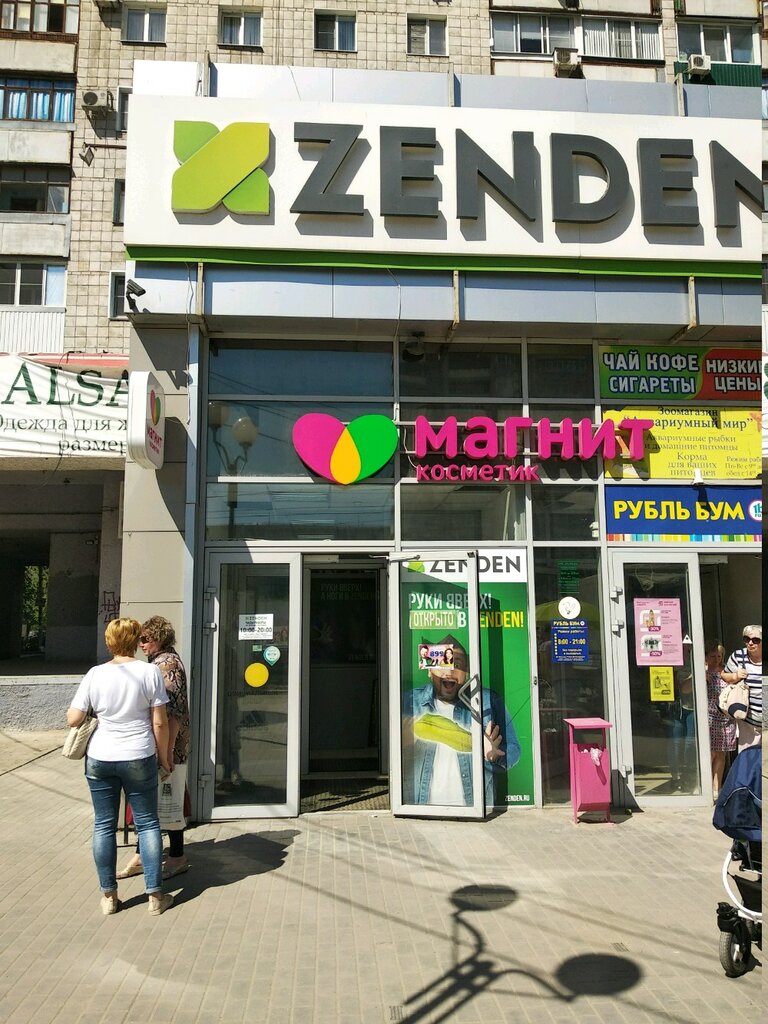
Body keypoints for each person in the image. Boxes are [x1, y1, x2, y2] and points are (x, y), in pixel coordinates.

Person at [66, 617, 173, 916]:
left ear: (109, 642)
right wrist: (164, 757)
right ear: (136, 640)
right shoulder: (149, 672)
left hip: (100, 757)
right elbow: (160, 722)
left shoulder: (95, 674)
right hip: (139, 754)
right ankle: (155, 897)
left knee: (104, 825)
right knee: (148, 824)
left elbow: (74, 718)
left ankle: (109, 897)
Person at [402, 634, 521, 808]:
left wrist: (494, 755)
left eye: (457, 665)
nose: (449, 671)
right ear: (429, 670)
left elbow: (514, 748)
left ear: (466, 672)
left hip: (475, 807)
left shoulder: (488, 701)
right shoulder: (409, 701)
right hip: (422, 807)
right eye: (442, 663)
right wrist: (403, 744)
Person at [118, 616, 191, 880]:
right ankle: (144, 855)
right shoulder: (159, 662)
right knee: (156, 800)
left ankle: (176, 856)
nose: (141, 644)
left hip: (167, 745)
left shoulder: (166, 664)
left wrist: (166, 753)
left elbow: (172, 714)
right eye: (140, 639)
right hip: (163, 744)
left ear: (159, 638)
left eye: (145, 639)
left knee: (168, 800)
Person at [721, 625, 763, 753]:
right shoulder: (739, 656)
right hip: (748, 721)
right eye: (746, 639)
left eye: (755, 640)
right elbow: (724, 675)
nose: (750, 643)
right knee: (749, 757)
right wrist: (735, 676)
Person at [705, 641, 735, 800]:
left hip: (725, 717)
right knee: (710, 753)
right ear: (706, 657)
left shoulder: (727, 671)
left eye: (719, 656)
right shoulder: (703, 672)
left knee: (721, 753)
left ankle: (717, 787)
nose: (716, 659)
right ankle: (707, 787)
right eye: (713, 656)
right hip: (709, 716)